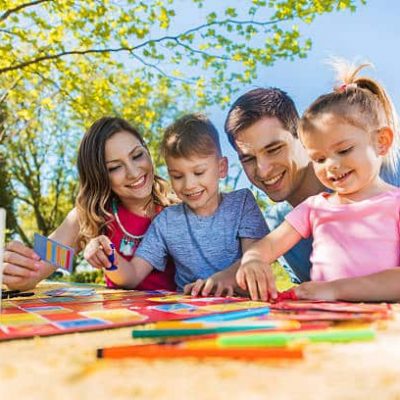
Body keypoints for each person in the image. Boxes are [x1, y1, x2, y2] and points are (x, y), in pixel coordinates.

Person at [191, 67, 400, 297]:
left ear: (303, 139)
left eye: (274, 149)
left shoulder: (389, 174)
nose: (263, 170)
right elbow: (265, 249)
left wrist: (335, 290)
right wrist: (232, 274)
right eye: (248, 159)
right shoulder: (284, 217)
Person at [84, 114, 268, 293]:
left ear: (221, 168)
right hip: (189, 313)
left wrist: (222, 279)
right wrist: (108, 257)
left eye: (199, 172)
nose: (189, 185)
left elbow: (256, 255)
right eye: (177, 176)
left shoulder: (242, 203)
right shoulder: (165, 221)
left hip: (245, 310)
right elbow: (132, 275)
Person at [3, 117, 177, 291]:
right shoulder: (88, 218)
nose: (133, 172)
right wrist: (15, 270)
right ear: (99, 176)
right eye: (114, 167)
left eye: (137, 155)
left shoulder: (182, 208)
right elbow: (34, 269)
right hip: (122, 317)